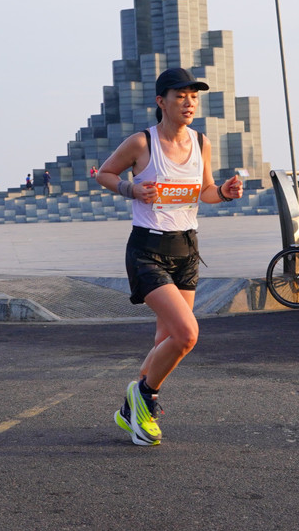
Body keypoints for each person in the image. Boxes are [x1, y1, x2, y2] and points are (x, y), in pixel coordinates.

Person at [96, 67, 244, 446]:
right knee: (186, 334)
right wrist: (131, 188)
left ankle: (132, 409)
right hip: (147, 250)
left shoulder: (201, 143)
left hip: (186, 251)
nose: (189, 102)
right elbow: (105, 174)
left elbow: (205, 191)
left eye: (193, 95)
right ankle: (145, 397)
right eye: (180, 95)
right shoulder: (141, 143)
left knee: (166, 338)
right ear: (161, 101)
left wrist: (224, 192)